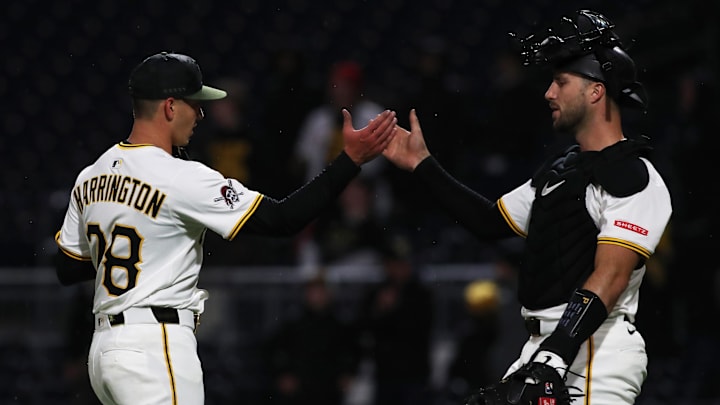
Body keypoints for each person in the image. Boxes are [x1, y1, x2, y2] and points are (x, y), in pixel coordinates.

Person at [52, 51, 396, 405]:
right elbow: (281, 220)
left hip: (104, 352)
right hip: (155, 346)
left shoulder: (92, 175)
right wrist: (350, 161)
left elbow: (68, 267)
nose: (200, 114)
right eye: (194, 103)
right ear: (170, 107)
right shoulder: (181, 176)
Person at [382, 10, 672, 405]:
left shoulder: (634, 176)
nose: (549, 93)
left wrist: (555, 355)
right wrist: (423, 165)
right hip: (545, 351)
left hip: (592, 353)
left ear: (595, 91)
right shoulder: (561, 172)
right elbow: (489, 222)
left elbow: (612, 274)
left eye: (560, 81)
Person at [356, 232, 434, 405]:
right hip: (385, 374)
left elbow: (419, 330)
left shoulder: (420, 295)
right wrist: (380, 310)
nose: (398, 269)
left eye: (402, 264)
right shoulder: (376, 293)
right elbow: (364, 328)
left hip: (414, 374)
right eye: (393, 263)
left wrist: (393, 310)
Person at [264, 275, 361, 405]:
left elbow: (354, 351)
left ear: (328, 294)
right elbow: (270, 349)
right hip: (301, 390)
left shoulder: (339, 326)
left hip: (329, 389)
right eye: (312, 292)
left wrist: (348, 373)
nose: (316, 297)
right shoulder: (295, 326)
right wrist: (282, 374)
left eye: (320, 292)